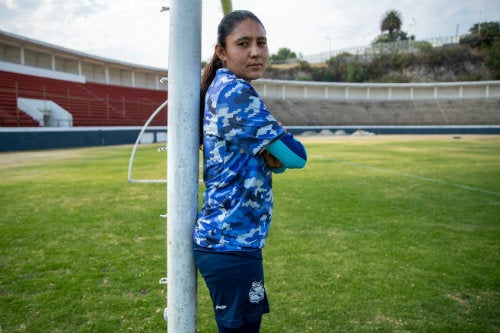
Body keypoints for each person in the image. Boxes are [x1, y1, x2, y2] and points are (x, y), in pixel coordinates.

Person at [193, 10, 307, 333]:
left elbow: (278, 161)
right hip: (231, 245)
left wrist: (277, 155)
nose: (256, 52)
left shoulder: (223, 86)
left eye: (261, 43)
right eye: (243, 43)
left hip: (228, 244)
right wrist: (281, 150)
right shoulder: (236, 93)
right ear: (221, 52)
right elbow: (297, 157)